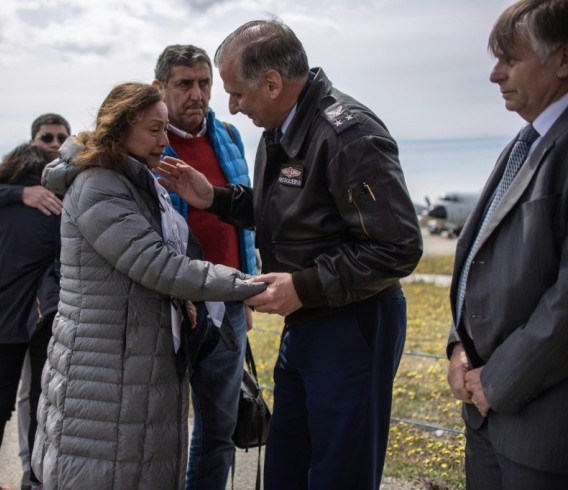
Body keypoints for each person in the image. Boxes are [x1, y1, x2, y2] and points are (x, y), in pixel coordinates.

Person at [158, 19, 423, 490]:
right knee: (288, 466)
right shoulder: (283, 129)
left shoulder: (348, 134)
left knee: (338, 471)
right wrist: (216, 198)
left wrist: (302, 286)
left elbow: (397, 247)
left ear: (273, 83)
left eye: (236, 93)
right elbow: (283, 211)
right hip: (310, 319)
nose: (232, 108)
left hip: (352, 323)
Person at [32, 82, 266, 489]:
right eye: (154, 130)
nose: (164, 140)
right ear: (121, 129)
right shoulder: (99, 186)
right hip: (106, 371)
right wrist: (248, 284)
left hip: (131, 361)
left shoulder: (132, 181)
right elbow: (159, 266)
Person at [445, 1, 568, 488]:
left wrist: (498, 381)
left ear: (563, 60)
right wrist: (458, 346)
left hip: (542, 426)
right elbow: (478, 259)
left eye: (510, 58)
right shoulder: (524, 143)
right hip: (488, 418)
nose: (495, 75)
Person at [151, 44, 256, 489]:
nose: (197, 94)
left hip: (228, 304)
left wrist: (246, 289)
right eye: (184, 84)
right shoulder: (144, 140)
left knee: (218, 430)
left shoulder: (229, 136)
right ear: (160, 88)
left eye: (204, 83)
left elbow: (245, 222)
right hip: (165, 308)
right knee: (156, 430)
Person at [0, 113, 69, 490]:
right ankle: (35, 481)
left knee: (0, 401)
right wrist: (24, 194)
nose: (53, 144)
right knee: (39, 401)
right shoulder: (54, 202)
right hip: (41, 312)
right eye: (46, 138)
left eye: (59, 138)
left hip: (2, 311)